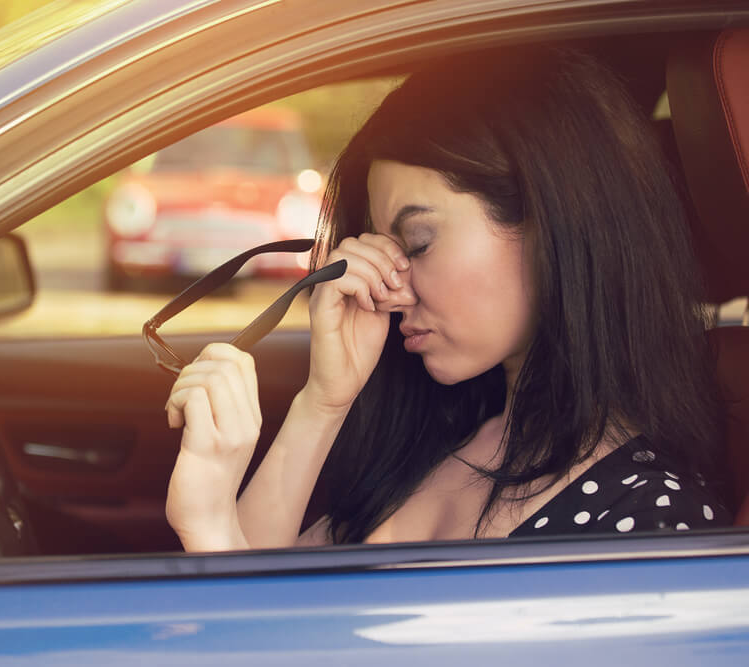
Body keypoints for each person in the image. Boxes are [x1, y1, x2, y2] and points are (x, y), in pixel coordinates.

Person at [162, 46, 732, 552]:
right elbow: (265, 603)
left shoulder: (654, 522)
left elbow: (246, 629)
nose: (390, 285)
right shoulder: (439, 435)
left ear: (551, 227)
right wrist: (323, 403)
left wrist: (211, 530)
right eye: (386, 250)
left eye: (419, 242)